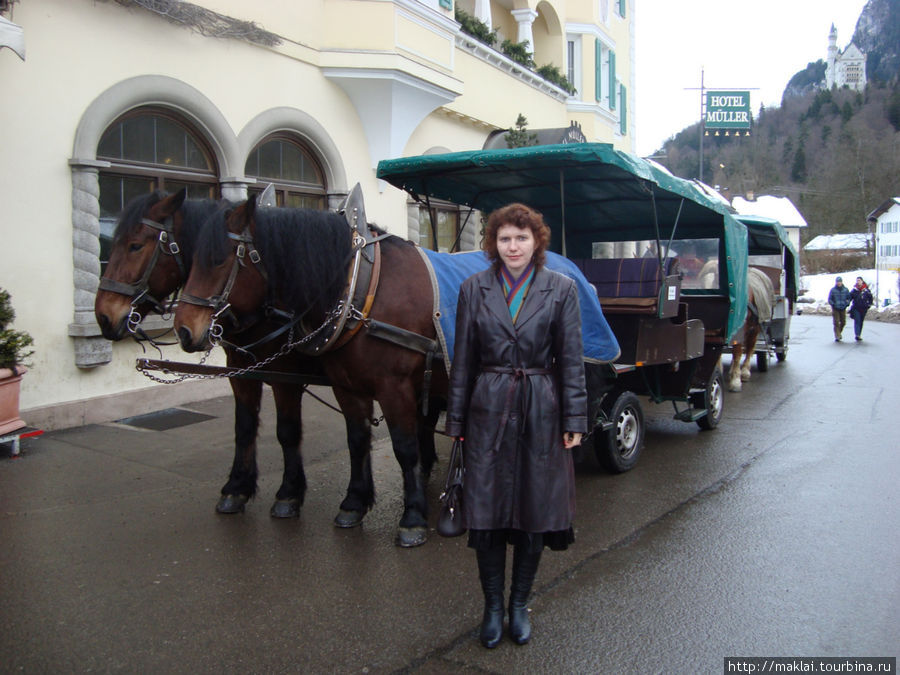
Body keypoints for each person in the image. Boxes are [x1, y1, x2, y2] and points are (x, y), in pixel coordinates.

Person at [446, 203, 587, 649]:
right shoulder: (474, 288)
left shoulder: (561, 289)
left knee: (534, 512)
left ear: (536, 241)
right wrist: (456, 420)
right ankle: (492, 608)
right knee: (485, 513)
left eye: (521, 238)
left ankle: (519, 604)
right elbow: (463, 360)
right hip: (487, 408)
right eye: (505, 238)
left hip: (541, 410)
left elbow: (570, 360)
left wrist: (574, 418)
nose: (513, 247)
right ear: (493, 243)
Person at [848, 276, 874, 341]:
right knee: (857, 321)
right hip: (856, 308)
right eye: (857, 280)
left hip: (864, 309)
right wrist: (846, 302)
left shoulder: (866, 290)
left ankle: (859, 334)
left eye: (859, 280)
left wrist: (869, 305)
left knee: (861, 321)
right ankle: (857, 334)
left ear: (862, 281)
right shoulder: (854, 290)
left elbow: (870, 298)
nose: (858, 282)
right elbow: (849, 298)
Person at [827, 276, 851, 341]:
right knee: (836, 322)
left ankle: (838, 332)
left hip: (843, 308)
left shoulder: (845, 290)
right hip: (835, 308)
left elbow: (849, 298)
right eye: (837, 282)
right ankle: (837, 335)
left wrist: (847, 303)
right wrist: (833, 304)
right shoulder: (833, 290)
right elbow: (830, 299)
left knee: (843, 322)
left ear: (842, 282)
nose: (839, 283)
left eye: (840, 282)